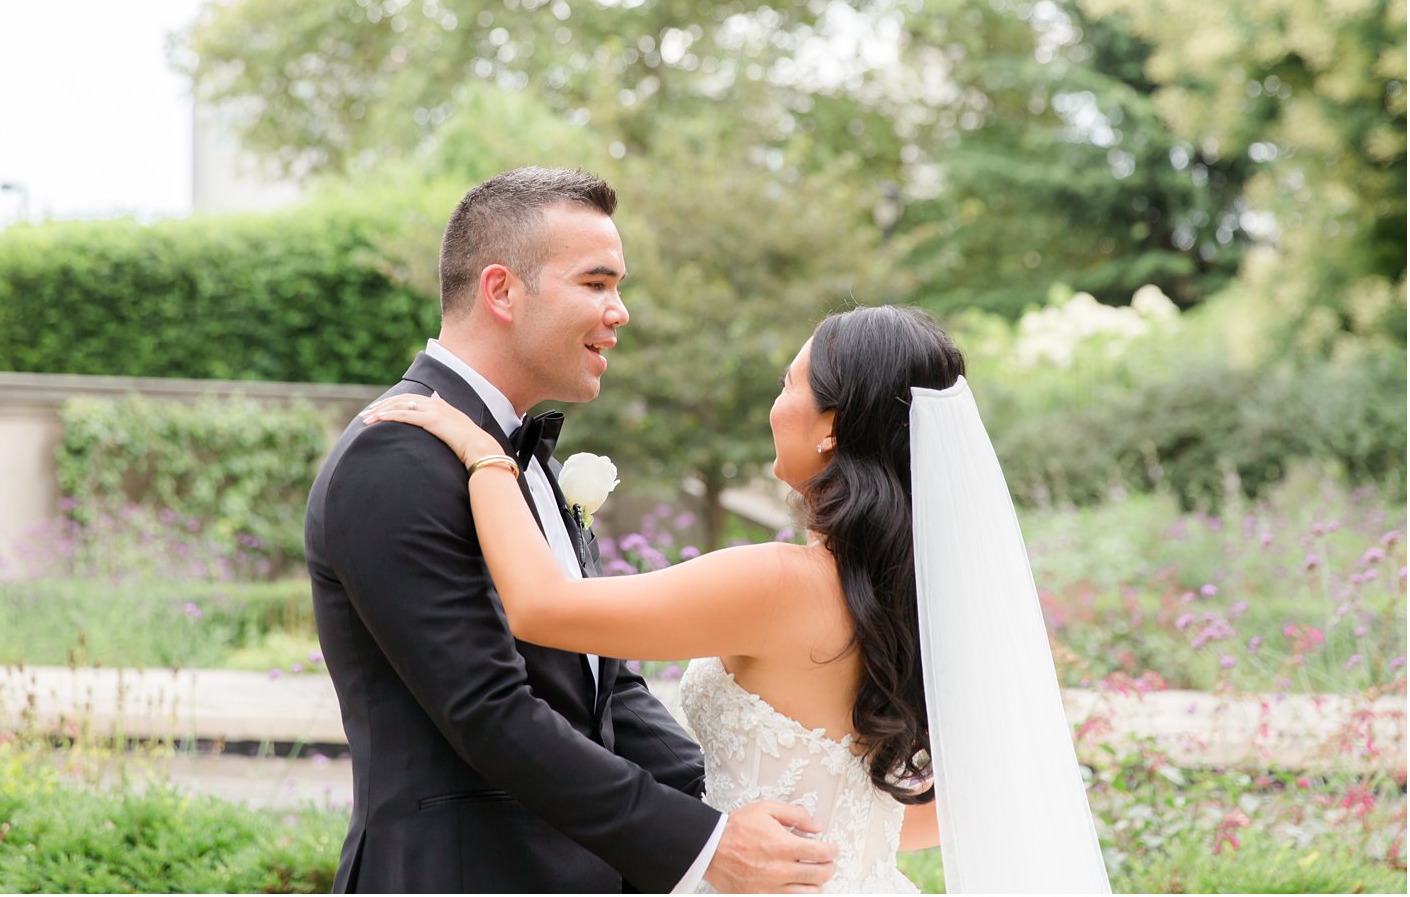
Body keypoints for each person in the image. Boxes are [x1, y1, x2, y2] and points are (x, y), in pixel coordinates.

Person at [364, 303, 1113, 894]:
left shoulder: (777, 583)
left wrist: (485, 456)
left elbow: (541, 609)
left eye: (790, 384)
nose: (774, 404)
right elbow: (937, 809)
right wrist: (839, 832)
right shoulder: (908, 600)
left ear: (831, 429)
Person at [304, 167, 838, 894]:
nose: (619, 311)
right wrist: (705, 842)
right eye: (596, 283)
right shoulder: (396, 455)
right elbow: (488, 711)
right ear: (501, 290)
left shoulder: (508, 454)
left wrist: (738, 806)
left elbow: (604, 690)